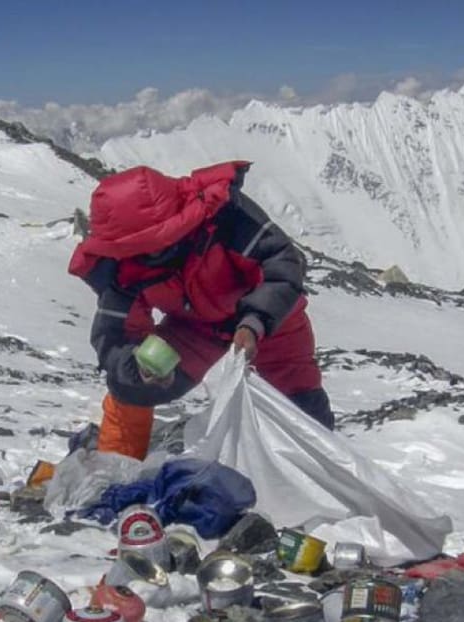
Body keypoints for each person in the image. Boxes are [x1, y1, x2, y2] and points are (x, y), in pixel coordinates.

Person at [69, 160, 334, 459]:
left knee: (300, 404)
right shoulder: (125, 265)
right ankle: (116, 470)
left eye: (152, 246)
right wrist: (138, 371)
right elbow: (116, 336)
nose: (145, 255)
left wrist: (254, 323)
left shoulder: (223, 217)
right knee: (128, 389)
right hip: (194, 327)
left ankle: (320, 476)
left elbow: (282, 266)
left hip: (270, 317)